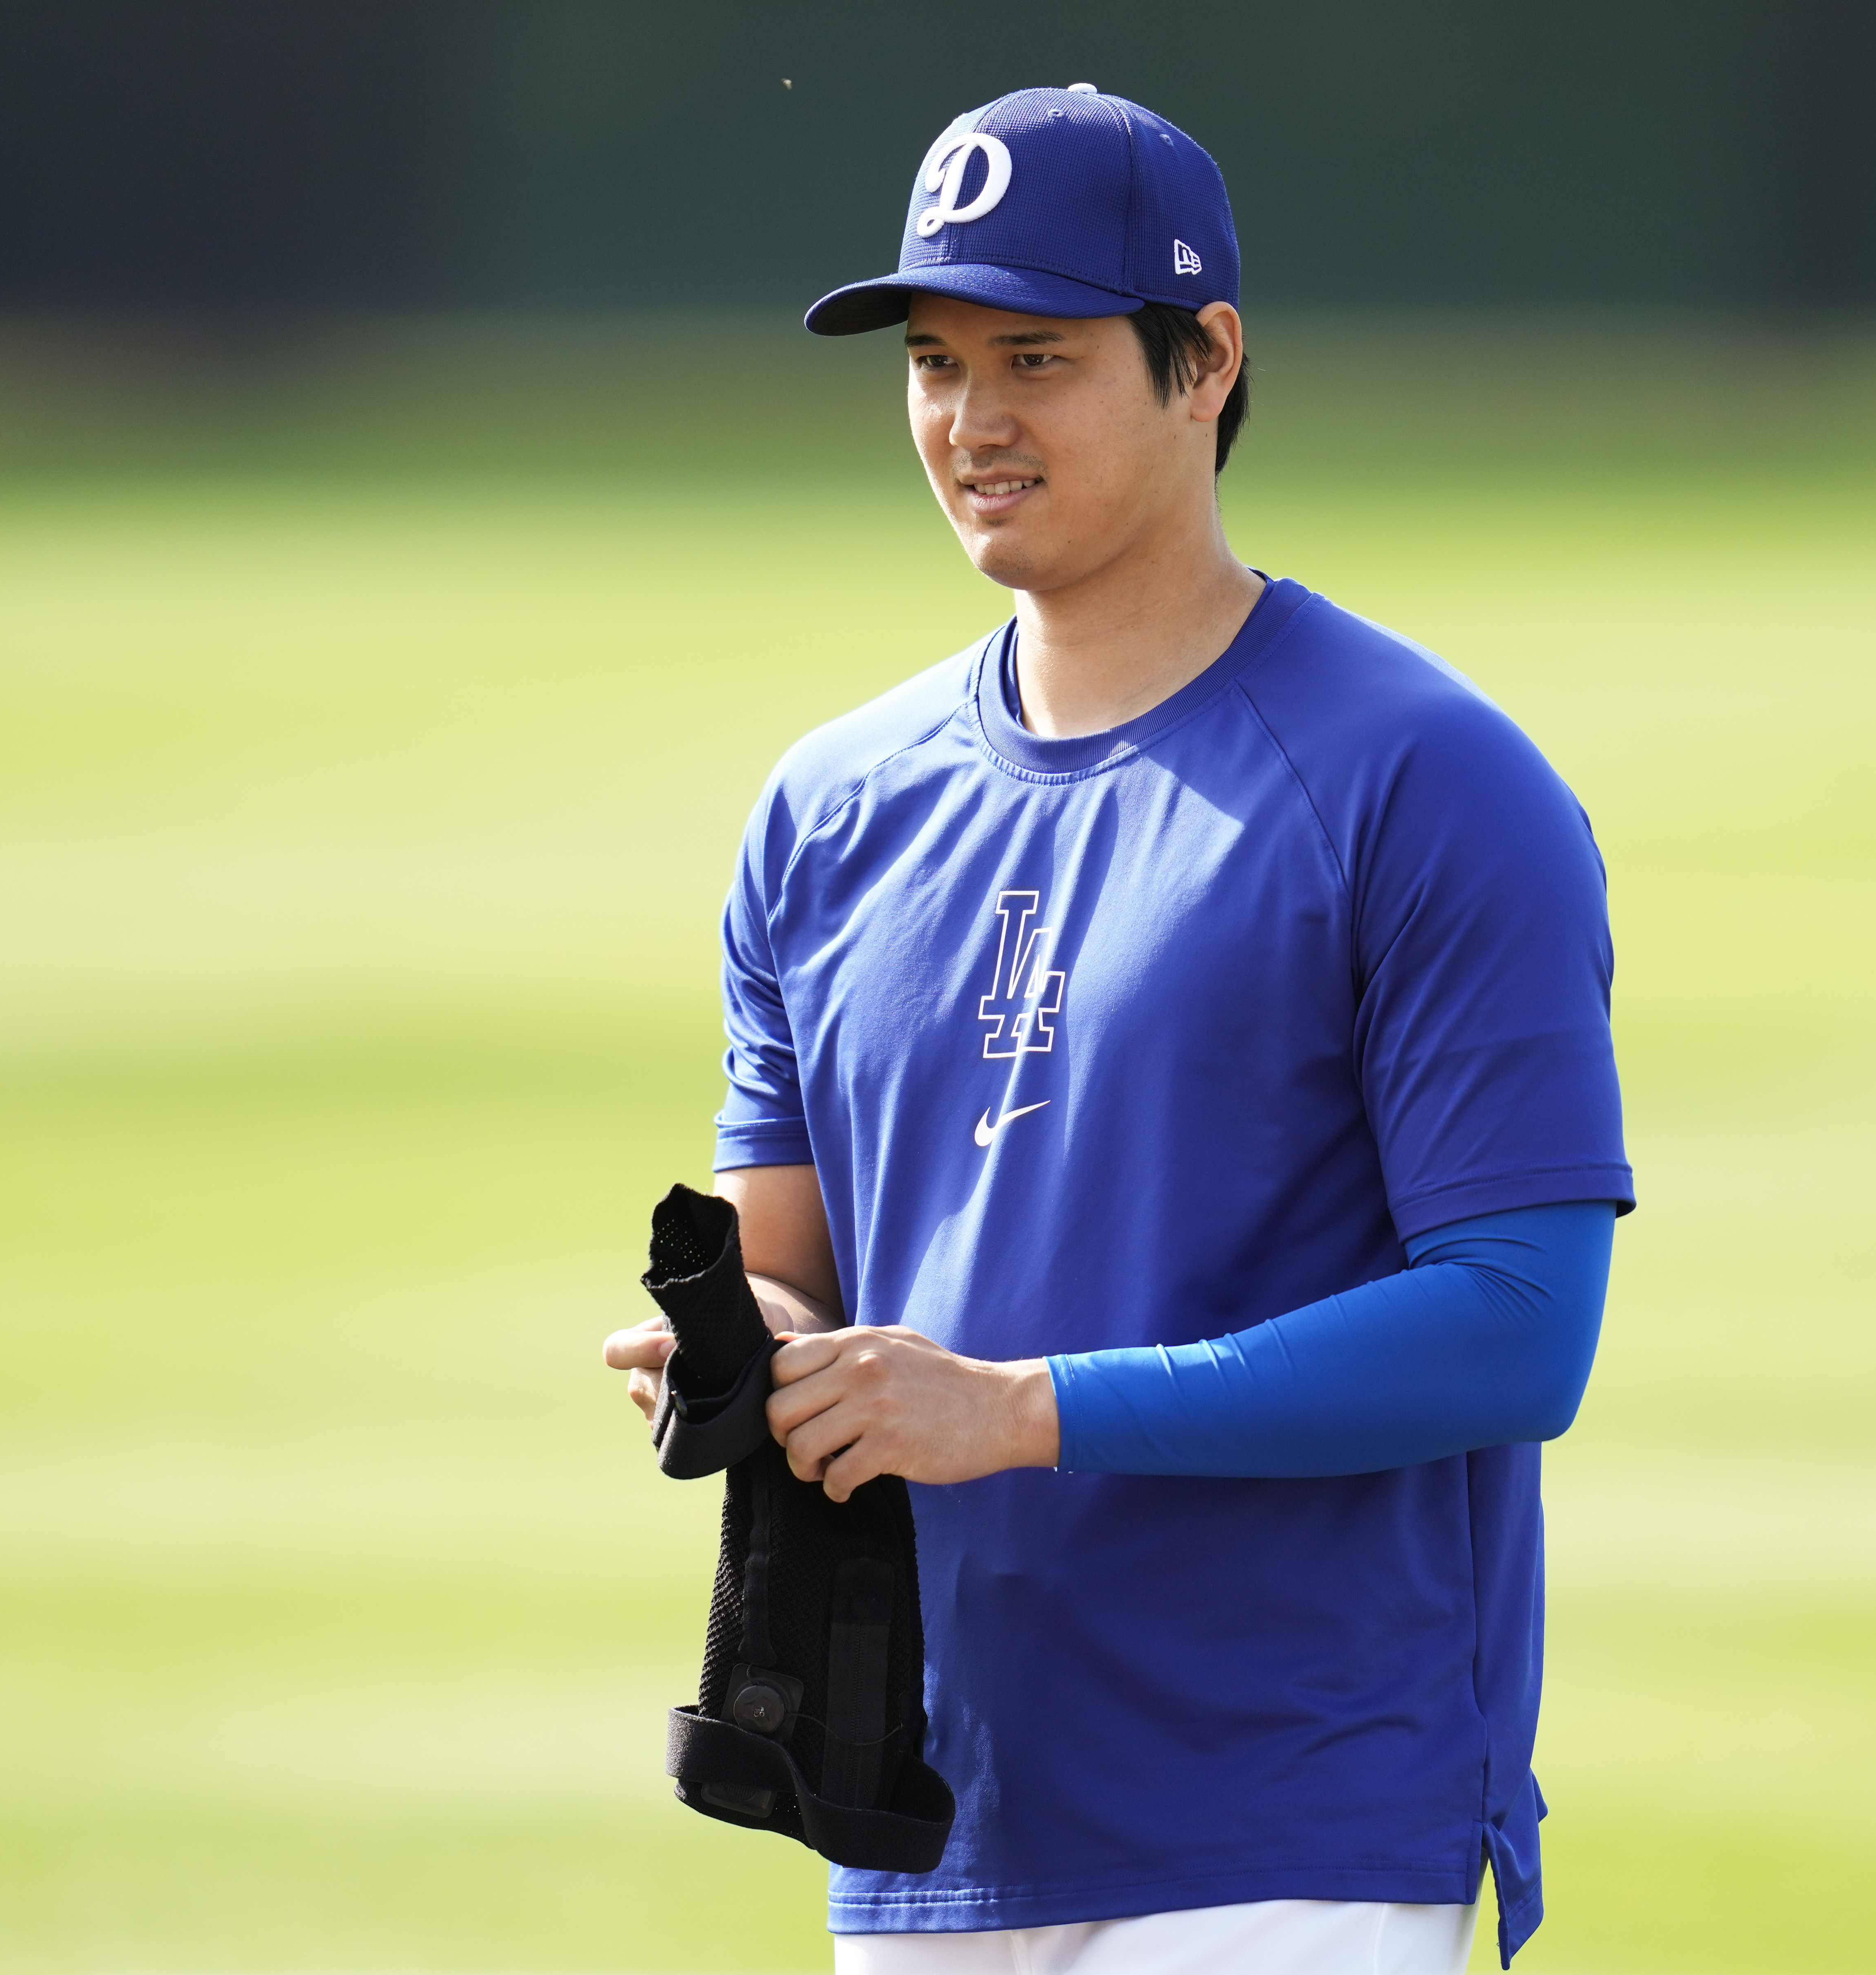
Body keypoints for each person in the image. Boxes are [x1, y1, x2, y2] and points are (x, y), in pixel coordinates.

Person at [602, 83, 1631, 1975]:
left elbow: (1517, 1321)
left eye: (1038, 357)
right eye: (931, 361)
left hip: (1292, 1814)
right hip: (920, 1809)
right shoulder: (827, 807)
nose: (970, 420)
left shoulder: (1425, 780)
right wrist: (741, 1360)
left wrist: (1016, 1412)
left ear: (1204, 361)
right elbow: (793, 1276)